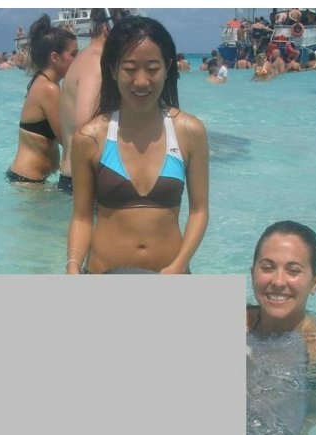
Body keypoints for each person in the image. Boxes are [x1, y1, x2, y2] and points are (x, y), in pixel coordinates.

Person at [66, 16, 209, 274]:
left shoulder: (190, 132)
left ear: (167, 68)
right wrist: (73, 266)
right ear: (113, 69)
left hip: (172, 277)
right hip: (103, 275)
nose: (141, 81)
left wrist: (179, 265)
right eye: (130, 69)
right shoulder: (90, 138)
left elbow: (199, 211)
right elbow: (81, 217)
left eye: (152, 69)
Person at [247, 221, 316, 364]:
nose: (278, 282)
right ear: (253, 275)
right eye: (267, 267)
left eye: (293, 270)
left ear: (314, 283)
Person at [58, 9, 124, 193]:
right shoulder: (97, 62)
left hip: (74, 178)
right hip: (84, 182)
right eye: (123, 24)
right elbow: (86, 127)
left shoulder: (84, 57)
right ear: (107, 26)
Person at [7, 14, 78, 185]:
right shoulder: (49, 89)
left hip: (29, 179)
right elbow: (67, 140)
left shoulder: (42, 82)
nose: (78, 60)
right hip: (28, 181)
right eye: (74, 54)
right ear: (55, 58)